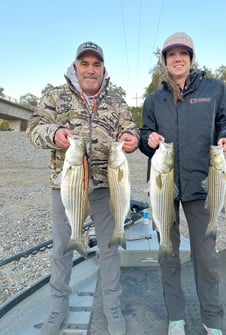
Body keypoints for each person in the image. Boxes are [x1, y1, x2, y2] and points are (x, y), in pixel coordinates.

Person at [27, 41, 139, 335]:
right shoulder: (55, 96)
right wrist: (55, 133)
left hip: (106, 187)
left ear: (104, 69)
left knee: (110, 247)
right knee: (62, 248)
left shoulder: (116, 101)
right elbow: (33, 129)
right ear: (75, 67)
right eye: (85, 63)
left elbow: (130, 129)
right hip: (67, 188)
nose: (91, 70)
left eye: (96, 64)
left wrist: (131, 139)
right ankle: (57, 309)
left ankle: (112, 305)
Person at [139, 32, 226, 335]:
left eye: (183, 53)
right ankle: (176, 318)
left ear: (191, 58)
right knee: (168, 254)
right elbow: (145, 134)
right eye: (171, 54)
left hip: (202, 186)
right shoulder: (153, 100)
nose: (178, 58)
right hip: (163, 189)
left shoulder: (215, 89)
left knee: (207, 258)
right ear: (165, 60)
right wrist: (149, 138)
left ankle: (213, 320)